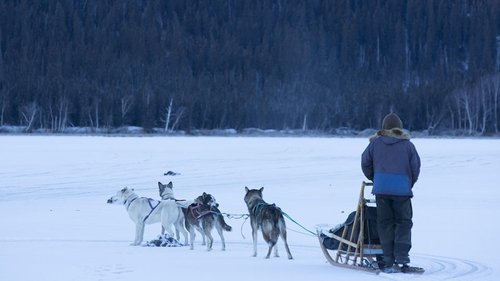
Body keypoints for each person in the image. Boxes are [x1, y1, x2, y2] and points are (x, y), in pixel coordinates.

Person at [361, 113, 421, 273]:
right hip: (402, 191)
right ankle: (402, 259)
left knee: (385, 224)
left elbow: (365, 162)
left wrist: (375, 178)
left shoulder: (375, 144)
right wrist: (409, 183)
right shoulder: (408, 145)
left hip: (381, 190)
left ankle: (387, 260)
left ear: (384, 127)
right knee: (404, 222)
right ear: (399, 128)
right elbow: (415, 168)